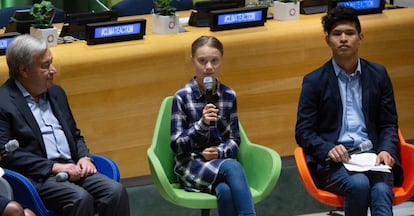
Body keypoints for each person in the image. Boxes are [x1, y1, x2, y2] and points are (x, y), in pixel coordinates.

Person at [0, 34, 130, 216]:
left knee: (115, 192)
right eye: (45, 66)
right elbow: (6, 154)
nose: (53, 70)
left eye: (51, 63)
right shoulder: (3, 101)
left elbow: (75, 134)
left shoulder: (56, 93)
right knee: (79, 198)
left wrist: (85, 157)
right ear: (24, 70)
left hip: (73, 167)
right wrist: (54, 167)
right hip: (39, 177)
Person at [295, 6, 403, 216]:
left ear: (360, 37)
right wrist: (328, 148)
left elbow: (388, 123)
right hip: (334, 163)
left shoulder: (378, 74)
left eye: (350, 33)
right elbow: (303, 131)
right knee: (359, 184)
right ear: (327, 40)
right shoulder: (314, 81)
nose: (343, 38)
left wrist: (386, 150)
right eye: (337, 34)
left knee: (381, 190)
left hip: (374, 159)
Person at [170, 35, 256, 216]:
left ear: (221, 61)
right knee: (233, 167)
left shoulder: (229, 95)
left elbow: (234, 139)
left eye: (214, 61)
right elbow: (176, 146)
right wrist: (201, 125)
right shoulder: (182, 97)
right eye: (202, 61)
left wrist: (219, 152)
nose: (209, 67)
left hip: (219, 162)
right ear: (193, 61)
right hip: (191, 164)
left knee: (225, 191)